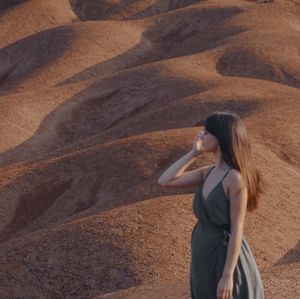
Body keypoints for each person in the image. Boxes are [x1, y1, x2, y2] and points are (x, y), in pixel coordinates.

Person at [158, 111, 265, 299]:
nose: (201, 136)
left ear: (221, 136)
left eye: (207, 132)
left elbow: (237, 230)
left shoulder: (235, 178)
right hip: (202, 248)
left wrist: (227, 276)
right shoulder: (207, 173)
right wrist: (194, 153)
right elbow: (165, 181)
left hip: (224, 253)